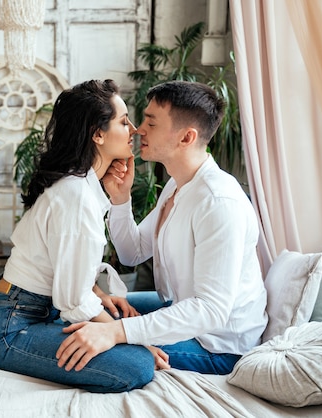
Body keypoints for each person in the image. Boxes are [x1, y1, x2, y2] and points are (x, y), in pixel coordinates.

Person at [56, 80, 268, 375]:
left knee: (98, 340)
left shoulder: (219, 203)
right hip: (177, 309)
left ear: (186, 137)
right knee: (88, 311)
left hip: (218, 346)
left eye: (151, 123)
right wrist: (120, 199)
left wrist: (117, 333)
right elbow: (132, 254)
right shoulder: (177, 185)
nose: (138, 129)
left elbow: (211, 310)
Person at [0, 79, 169, 394]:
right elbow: (74, 300)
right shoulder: (75, 196)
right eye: (123, 121)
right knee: (137, 364)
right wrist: (136, 341)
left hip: (41, 310)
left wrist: (102, 299)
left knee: (147, 309)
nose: (134, 129)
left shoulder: (84, 187)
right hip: (12, 328)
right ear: (97, 134)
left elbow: (65, 265)